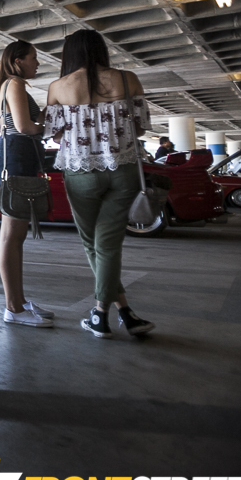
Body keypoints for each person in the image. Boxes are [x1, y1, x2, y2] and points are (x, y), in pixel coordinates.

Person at [45, 29, 156, 339]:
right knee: (108, 244)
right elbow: (141, 128)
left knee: (92, 243)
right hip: (124, 170)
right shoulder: (127, 79)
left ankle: (100, 314)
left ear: (70, 54)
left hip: (80, 171)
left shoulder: (58, 87)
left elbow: (55, 136)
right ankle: (123, 313)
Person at [0, 40, 52, 328]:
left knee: (14, 238)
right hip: (15, 158)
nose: (37, 63)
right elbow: (25, 127)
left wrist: (51, 108)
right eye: (33, 58)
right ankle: (13, 308)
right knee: (11, 238)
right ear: (17, 61)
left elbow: (31, 121)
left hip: (17, 158)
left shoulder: (11, 84)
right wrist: (51, 127)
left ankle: (18, 301)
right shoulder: (14, 83)